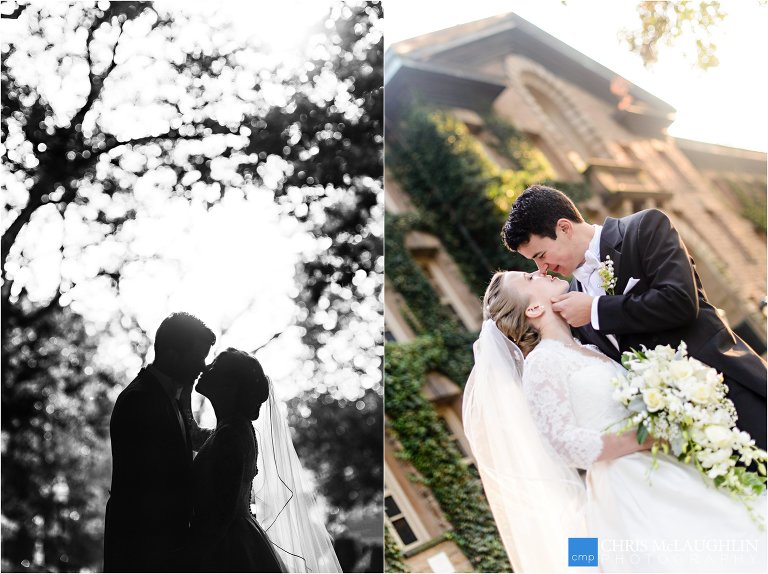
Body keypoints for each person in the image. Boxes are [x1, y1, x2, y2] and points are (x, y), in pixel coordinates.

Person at [463, 270, 766, 572]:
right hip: (628, 488)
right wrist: (644, 437)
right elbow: (564, 445)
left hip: (665, 466)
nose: (539, 271)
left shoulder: (590, 348)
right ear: (534, 309)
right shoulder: (542, 363)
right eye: (529, 279)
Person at [500, 185, 767, 451]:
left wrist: (597, 310)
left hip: (735, 393)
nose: (542, 268)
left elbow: (680, 301)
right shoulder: (571, 301)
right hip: (687, 441)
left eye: (541, 255)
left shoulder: (644, 228)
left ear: (564, 228)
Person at [190, 348, 342, 573]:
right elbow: (194, 435)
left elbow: (222, 512)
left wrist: (187, 554)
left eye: (215, 366)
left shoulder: (231, 434)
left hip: (226, 550)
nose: (205, 369)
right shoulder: (231, 429)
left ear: (229, 387)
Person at [104, 312, 216, 572]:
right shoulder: (139, 400)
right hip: (142, 550)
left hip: (163, 548)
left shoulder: (171, 397)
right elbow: (149, 485)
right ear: (170, 353)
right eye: (197, 357)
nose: (202, 366)